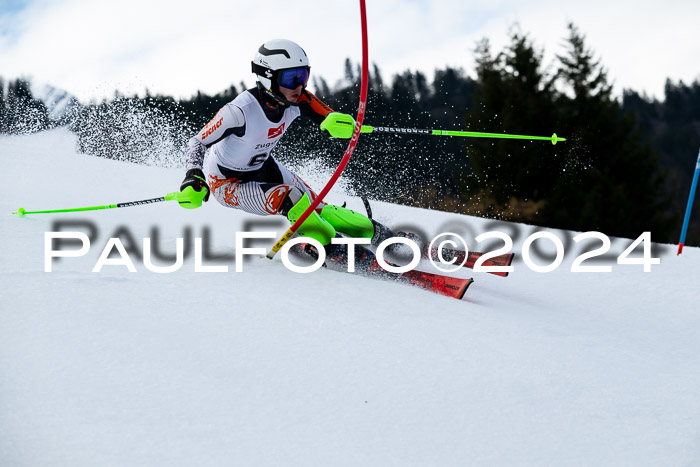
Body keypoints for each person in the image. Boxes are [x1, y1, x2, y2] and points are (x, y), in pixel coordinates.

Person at [177, 38, 392, 265]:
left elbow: (327, 116)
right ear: (267, 77)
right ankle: (336, 250)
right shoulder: (239, 111)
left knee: (316, 206)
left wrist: (337, 123)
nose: (299, 86)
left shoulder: (298, 99)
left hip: (263, 168)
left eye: (304, 76)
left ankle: (380, 234)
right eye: (291, 78)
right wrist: (193, 175)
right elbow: (197, 141)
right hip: (227, 183)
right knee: (292, 198)